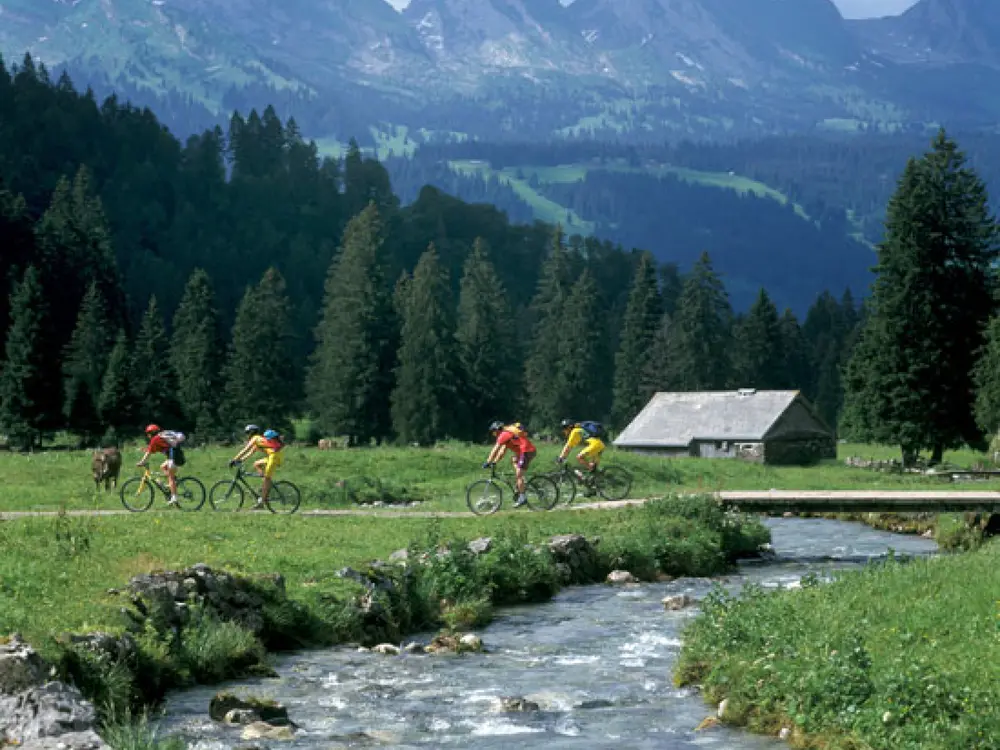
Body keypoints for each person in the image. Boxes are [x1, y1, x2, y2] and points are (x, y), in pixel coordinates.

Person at [483, 420, 536, 508]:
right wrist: (494, 462)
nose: (494, 435)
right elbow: (502, 452)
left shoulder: (504, 434)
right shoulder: (507, 435)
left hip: (526, 451)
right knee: (514, 460)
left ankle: (523, 497)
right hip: (524, 452)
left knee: (519, 474)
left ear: (498, 430)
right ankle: (520, 484)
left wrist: (488, 462)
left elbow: (495, 449)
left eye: (494, 433)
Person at [230, 426, 284, 508]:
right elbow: (250, 453)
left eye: (247, 433)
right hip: (272, 456)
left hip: (274, 457)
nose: (246, 435)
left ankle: (262, 501)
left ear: (251, 432)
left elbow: (246, 449)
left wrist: (234, 459)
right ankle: (265, 484)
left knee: (267, 478)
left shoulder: (255, 438)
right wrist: (240, 460)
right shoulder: (259, 441)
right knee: (256, 464)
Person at [137, 424, 186, 506]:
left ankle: (174, 497)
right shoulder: (159, 438)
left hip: (174, 456)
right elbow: (152, 449)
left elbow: (149, 453)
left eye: (148, 433)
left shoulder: (155, 439)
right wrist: (145, 450)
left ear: (151, 433)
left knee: (170, 477)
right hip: (175, 455)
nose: (147, 435)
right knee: (163, 467)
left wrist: (142, 462)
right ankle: (171, 485)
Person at [556, 419, 607, 490]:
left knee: (579, 457)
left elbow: (568, 446)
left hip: (595, 446)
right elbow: (570, 446)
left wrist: (561, 457)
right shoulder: (579, 430)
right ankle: (592, 489)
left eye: (564, 428)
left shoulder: (574, 431)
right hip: (600, 445)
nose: (563, 431)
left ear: (569, 427)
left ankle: (593, 476)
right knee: (592, 470)